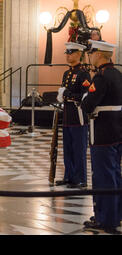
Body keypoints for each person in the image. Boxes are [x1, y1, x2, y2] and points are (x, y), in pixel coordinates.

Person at [81, 40, 122, 234]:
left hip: (102, 131)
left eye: (92, 53)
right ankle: (115, 214)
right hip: (117, 129)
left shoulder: (101, 77)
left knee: (103, 175)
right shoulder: (117, 74)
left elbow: (88, 105)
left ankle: (105, 219)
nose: (90, 56)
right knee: (114, 174)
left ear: (99, 55)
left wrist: (84, 100)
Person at [55, 42, 91, 189]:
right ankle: (69, 176)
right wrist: (63, 96)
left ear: (78, 54)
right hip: (68, 115)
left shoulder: (84, 74)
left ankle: (81, 179)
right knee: (68, 148)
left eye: (71, 53)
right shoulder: (67, 73)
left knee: (79, 149)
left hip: (78, 116)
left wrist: (67, 94)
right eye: (67, 53)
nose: (68, 55)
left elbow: (85, 95)